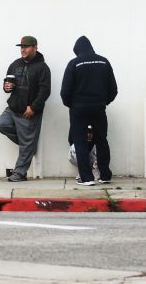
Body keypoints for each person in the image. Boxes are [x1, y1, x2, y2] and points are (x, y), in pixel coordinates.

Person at [60, 36, 116, 186]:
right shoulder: (104, 61)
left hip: (78, 108)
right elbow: (113, 89)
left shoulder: (74, 63)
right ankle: (105, 175)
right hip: (99, 107)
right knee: (101, 139)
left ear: (77, 50)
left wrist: (71, 105)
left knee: (80, 142)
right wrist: (103, 102)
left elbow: (65, 91)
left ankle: (87, 177)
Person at [0, 35, 52, 183]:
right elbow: (7, 82)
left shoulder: (43, 68)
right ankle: (29, 147)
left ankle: (20, 173)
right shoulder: (15, 64)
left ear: (35, 48)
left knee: (27, 144)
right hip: (13, 108)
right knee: (2, 125)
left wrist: (34, 107)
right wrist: (6, 87)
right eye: (21, 47)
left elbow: (45, 91)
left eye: (26, 47)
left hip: (29, 113)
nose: (23, 50)